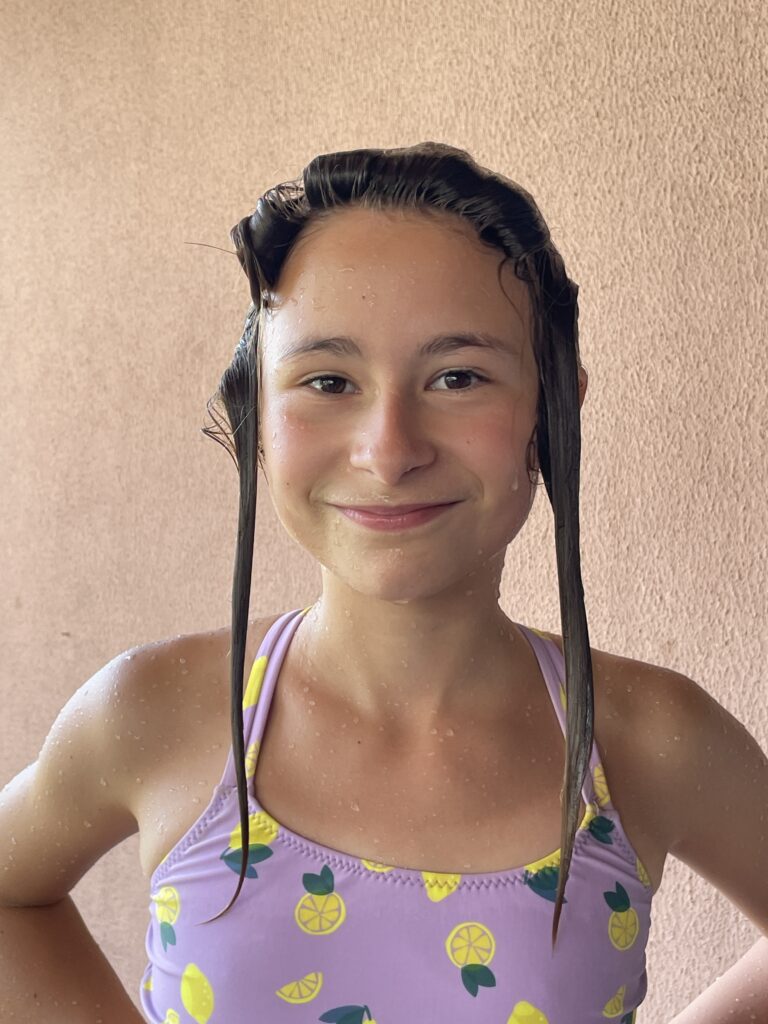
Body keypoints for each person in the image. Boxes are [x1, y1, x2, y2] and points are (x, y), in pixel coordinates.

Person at [1, 143, 766, 1024]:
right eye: (329, 380)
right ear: (256, 412)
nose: (390, 450)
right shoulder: (151, 712)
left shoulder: (654, 739)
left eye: (458, 377)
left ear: (554, 406)